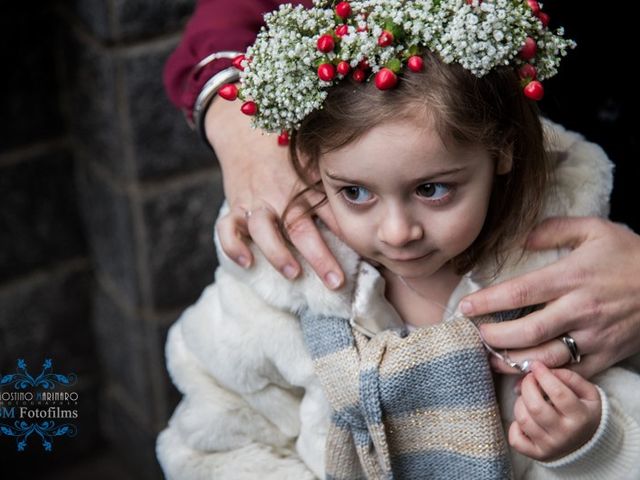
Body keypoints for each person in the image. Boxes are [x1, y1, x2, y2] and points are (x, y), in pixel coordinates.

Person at [157, 1, 640, 478]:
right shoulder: (284, 286)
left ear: (502, 151)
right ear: (311, 165)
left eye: (432, 190)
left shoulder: (567, 272)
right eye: (355, 192)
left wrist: (593, 445)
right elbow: (216, 435)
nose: (397, 233)